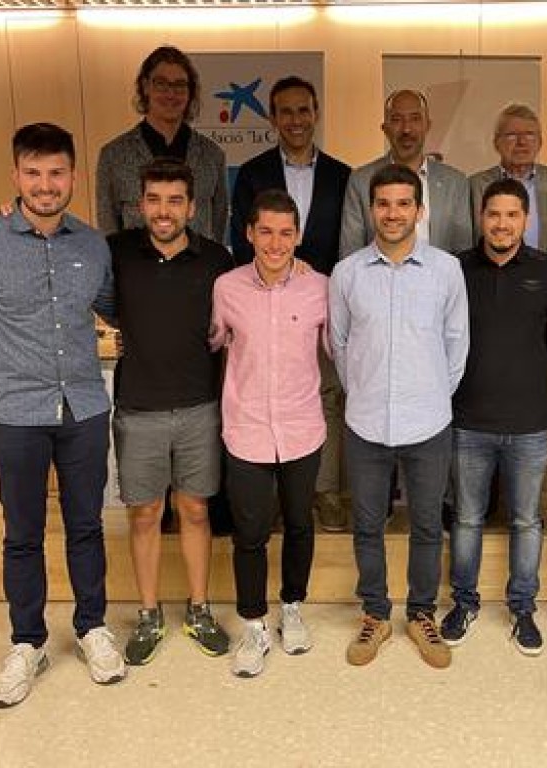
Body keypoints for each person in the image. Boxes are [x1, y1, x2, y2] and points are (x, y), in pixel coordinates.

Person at [0, 123, 125, 708]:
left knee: (87, 525)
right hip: (15, 414)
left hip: (84, 408)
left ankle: (92, 627)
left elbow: (120, 306)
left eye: (56, 173)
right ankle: (27, 642)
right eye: (34, 173)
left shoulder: (92, 245)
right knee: (22, 533)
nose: (46, 185)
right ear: (15, 175)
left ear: (73, 177)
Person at [330, 164, 469, 669]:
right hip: (366, 421)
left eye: (403, 203)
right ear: (372, 210)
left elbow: (456, 344)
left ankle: (420, 613)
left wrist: (429, 395)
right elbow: (339, 344)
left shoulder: (446, 270)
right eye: (384, 204)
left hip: (428, 421)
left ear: (419, 210)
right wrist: (365, 392)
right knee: (368, 524)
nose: (393, 213)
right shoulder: (347, 274)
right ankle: (375, 614)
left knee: (427, 524)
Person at [108, 159, 233, 665]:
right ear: (141, 204)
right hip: (138, 408)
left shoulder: (217, 259)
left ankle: (199, 609)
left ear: (192, 207)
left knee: (195, 509)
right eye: (155, 200)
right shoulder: (116, 252)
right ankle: (148, 613)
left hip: (200, 406)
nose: (164, 211)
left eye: (175, 200)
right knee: (145, 513)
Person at [441, 178, 547, 656]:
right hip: (468, 421)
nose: (502, 223)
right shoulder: (454, 270)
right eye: (493, 214)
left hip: (529, 424)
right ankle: (464, 602)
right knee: (467, 519)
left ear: (525, 220)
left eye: (512, 214)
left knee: (526, 521)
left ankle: (523, 609)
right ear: (481, 217)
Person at [211, 189, 329, 678]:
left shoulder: (320, 287)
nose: (275, 243)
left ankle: (293, 606)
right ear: (249, 234)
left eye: (285, 233)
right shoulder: (226, 288)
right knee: (250, 533)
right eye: (265, 232)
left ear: (298, 236)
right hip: (247, 430)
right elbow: (212, 342)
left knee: (300, 523)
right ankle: (255, 624)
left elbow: (339, 347)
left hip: (302, 428)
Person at [229, 76, 352, 532]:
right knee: (270, 396)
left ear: (316, 113)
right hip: (265, 304)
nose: (296, 120)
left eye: (304, 110)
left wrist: (322, 287)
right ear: (272, 117)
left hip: (322, 303)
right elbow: (241, 240)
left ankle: (325, 492)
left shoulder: (343, 175)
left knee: (327, 398)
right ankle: (279, 498)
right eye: (286, 111)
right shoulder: (252, 172)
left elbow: (349, 243)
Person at [96, 45, 227, 241]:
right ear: (145, 86)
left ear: (190, 92)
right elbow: (109, 230)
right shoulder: (113, 155)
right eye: (161, 84)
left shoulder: (212, 155)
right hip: (135, 261)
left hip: (199, 261)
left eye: (179, 85)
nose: (171, 94)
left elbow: (218, 226)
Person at [340, 89, 472, 258]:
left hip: (438, 275)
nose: (406, 129)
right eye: (396, 120)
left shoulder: (455, 183)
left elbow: (464, 254)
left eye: (415, 119)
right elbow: (350, 254)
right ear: (385, 128)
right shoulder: (361, 181)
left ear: (427, 125)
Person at [469, 103, 547, 251]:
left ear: (540, 142)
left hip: (545, 265)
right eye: (512, 135)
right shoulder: (475, 186)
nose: (521, 142)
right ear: (496, 143)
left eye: (529, 135)